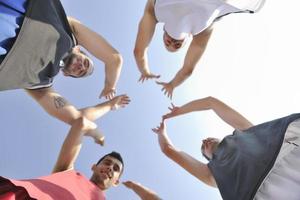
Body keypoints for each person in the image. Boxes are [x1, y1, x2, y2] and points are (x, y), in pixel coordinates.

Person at [0, 0, 126, 140]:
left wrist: (109, 106)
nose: (82, 67)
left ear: (66, 74)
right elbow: (114, 59)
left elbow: (76, 118)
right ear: (79, 49)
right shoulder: (70, 31)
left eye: (81, 72)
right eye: (85, 62)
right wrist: (110, 86)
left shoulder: (42, 86)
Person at [153, 97, 300, 200]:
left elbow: (210, 102)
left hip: (287, 153)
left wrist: (179, 111)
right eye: (203, 148)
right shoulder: (211, 175)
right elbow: (168, 149)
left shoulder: (246, 133)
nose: (205, 140)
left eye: (206, 140)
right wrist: (161, 133)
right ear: (208, 157)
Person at [134, 0, 265, 99]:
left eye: (167, 43)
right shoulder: (201, 30)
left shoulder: (155, 11)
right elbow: (187, 70)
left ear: (163, 31)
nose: (172, 43)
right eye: (177, 46)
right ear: (187, 40)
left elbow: (139, 52)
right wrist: (172, 85)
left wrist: (145, 71)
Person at [0, 117, 125, 200]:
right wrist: (98, 134)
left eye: (115, 168)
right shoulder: (69, 173)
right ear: (94, 167)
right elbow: (81, 122)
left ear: (116, 182)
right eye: (107, 162)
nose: (110, 168)